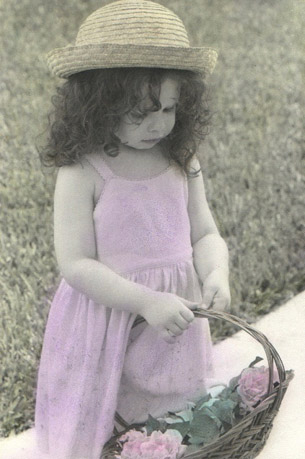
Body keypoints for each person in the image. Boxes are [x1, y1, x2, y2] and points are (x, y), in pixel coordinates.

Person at [34, 0, 231, 457]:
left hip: (174, 321)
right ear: (97, 104)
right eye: (138, 112)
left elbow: (204, 233)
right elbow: (76, 264)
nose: (157, 124)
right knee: (106, 420)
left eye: (168, 108)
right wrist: (146, 300)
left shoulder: (181, 162)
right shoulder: (83, 171)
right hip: (111, 318)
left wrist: (216, 273)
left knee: (174, 417)